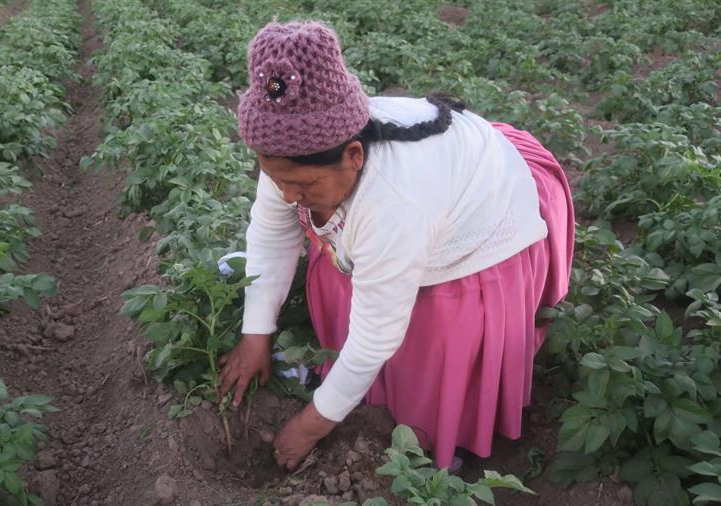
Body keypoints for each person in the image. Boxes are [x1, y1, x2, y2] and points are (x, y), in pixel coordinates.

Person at [218, 20, 574, 472]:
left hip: (481, 228)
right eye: (276, 178)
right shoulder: (296, 157)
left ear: (353, 155)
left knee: (421, 406)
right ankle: (348, 388)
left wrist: (307, 427)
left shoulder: (397, 202)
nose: (288, 195)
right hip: (416, 207)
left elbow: (373, 337)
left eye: (301, 184)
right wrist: (256, 335)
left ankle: (447, 443)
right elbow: (270, 235)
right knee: (349, 266)